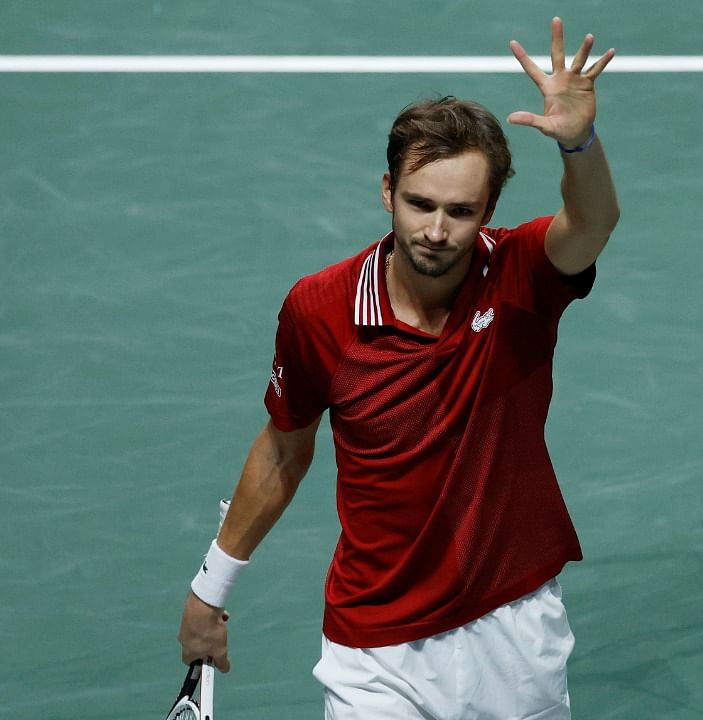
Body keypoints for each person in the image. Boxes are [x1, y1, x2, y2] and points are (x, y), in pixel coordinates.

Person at [179, 17, 619, 719]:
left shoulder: (520, 275)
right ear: (388, 191)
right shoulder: (319, 309)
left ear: (490, 211)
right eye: (419, 204)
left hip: (513, 627)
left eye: (459, 211)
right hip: (375, 647)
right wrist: (211, 587)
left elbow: (592, 223)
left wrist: (579, 142)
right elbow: (283, 452)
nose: (436, 231)